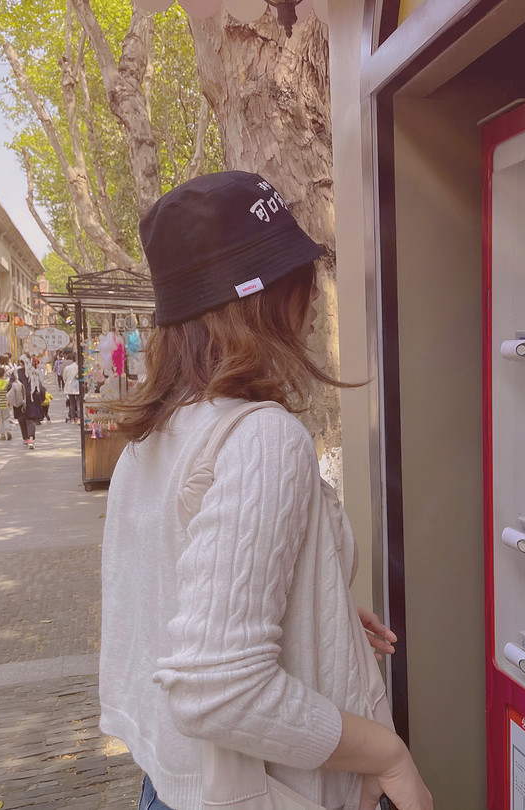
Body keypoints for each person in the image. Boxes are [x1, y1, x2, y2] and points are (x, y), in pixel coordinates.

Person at [100, 171, 433, 810]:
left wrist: (316, 606)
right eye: (300, 281)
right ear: (269, 298)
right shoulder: (261, 438)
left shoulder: (153, 435)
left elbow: (173, 601)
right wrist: (387, 752)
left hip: (169, 786)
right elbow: (217, 687)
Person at [12, 360, 46, 450]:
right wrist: (42, 397)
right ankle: (31, 438)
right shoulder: (34, 372)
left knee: (21, 419)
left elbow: (10, 386)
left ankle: (25, 438)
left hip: (19, 399)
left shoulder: (16, 373)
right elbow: (40, 386)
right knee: (31, 420)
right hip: (32, 398)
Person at [0, 367, 12, 441]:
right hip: (6, 404)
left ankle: (2, 434)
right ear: (4, 374)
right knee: (6, 418)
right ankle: (8, 430)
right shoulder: (6, 383)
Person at [62, 351, 80, 424]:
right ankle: (79, 418)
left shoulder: (67, 368)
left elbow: (64, 378)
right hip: (77, 387)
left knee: (72, 403)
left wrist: (66, 382)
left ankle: (72, 418)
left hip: (69, 387)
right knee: (78, 402)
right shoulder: (78, 367)